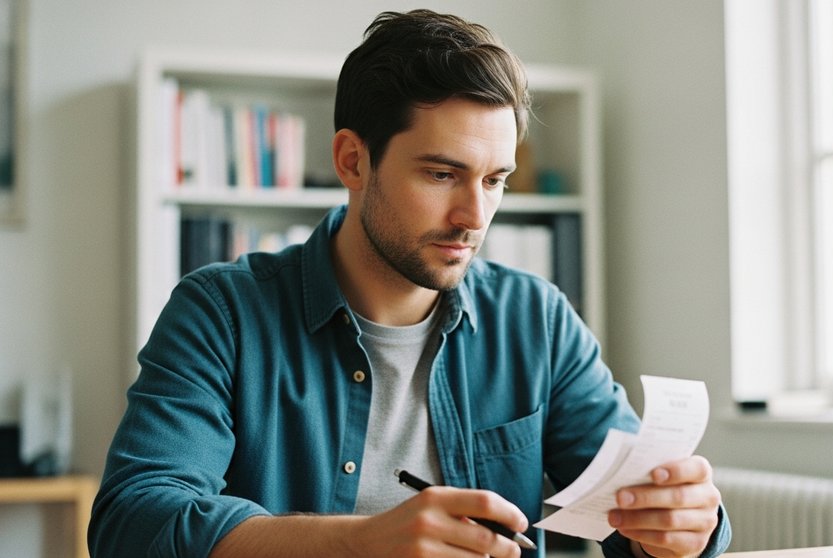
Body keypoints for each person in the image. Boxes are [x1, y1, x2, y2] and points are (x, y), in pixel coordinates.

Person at [89, 9, 731, 558]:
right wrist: (357, 542)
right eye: (442, 174)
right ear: (352, 160)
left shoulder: (537, 319)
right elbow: (132, 520)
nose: (474, 218)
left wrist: (680, 529)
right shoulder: (222, 312)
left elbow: (632, 513)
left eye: (494, 180)